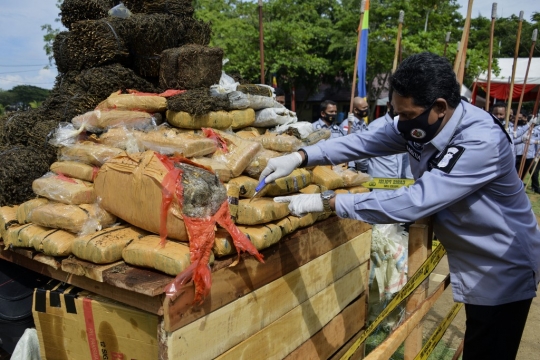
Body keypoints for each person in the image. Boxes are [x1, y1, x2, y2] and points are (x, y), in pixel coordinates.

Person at [260, 52, 540, 360]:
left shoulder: (479, 141)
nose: (401, 123)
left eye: (407, 115)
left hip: (501, 264)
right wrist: (301, 156)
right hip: (472, 257)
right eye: (398, 113)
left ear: (439, 107)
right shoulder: (420, 122)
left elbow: (417, 200)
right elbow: (361, 143)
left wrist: (328, 200)